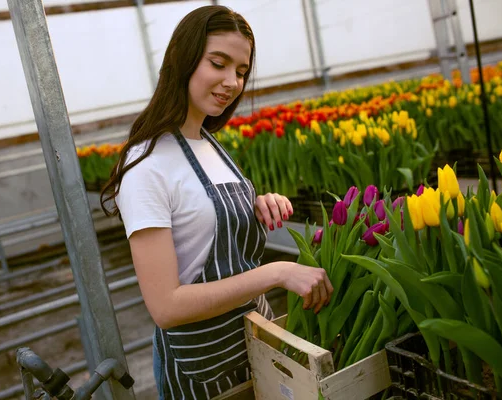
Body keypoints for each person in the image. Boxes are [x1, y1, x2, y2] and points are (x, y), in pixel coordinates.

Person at [101, 5, 333, 399]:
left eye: (241, 71)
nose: (232, 82)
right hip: (202, 368)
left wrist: (256, 204)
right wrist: (276, 273)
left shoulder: (206, 142)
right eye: (218, 63)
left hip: (253, 341)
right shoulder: (146, 166)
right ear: (184, 58)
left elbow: (198, 216)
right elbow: (166, 307)